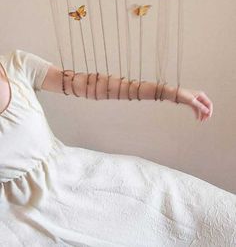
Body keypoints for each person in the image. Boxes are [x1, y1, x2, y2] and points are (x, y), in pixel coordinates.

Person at [0, 48, 235, 247]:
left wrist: (170, 92)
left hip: (80, 176)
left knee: (199, 209)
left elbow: (90, 84)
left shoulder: (15, 64)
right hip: (18, 217)